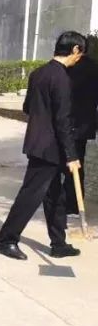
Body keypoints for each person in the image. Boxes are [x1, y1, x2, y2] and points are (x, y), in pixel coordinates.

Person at [0, 31, 86, 260]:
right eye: (80, 54)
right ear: (75, 50)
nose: (79, 59)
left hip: (40, 143)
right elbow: (62, 121)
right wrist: (71, 154)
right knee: (31, 195)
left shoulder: (39, 73)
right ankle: (7, 240)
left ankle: (59, 243)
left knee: (56, 196)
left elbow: (28, 108)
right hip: (49, 148)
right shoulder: (63, 79)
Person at [67, 35, 98, 215]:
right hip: (85, 122)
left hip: (68, 120)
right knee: (79, 160)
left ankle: (65, 201)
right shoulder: (94, 67)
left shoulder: (69, 66)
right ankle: (75, 203)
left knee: (64, 162)